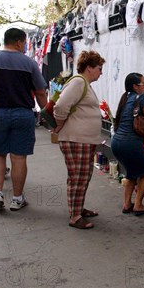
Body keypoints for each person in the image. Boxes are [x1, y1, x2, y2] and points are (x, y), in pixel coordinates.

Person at [0, 27, 48, 211]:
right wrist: (46, 112)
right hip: (23, 114)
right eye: (23, 43)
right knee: (19, 157)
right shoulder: (29, 63)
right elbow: (40, 92)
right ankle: (17, 198)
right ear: (19, 42)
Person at [53, 50, 105, 229]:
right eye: (99, 68)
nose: (101, 72)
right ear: (89, 68)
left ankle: (78, 208)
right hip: (76, 139)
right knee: (78, 177)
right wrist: (59, 124)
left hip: (83, 140)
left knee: (83, 176)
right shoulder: (78, 82)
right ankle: (75, 216)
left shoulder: (84, 83)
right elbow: (60, 106)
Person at [111, 72, 144, 216]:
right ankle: (138, 205)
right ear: (135, 86)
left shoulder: (125, 97)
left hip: (116, 142)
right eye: (143, 83)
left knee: (131, 172)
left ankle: (127, 204)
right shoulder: (141, 97)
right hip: (130, 142)